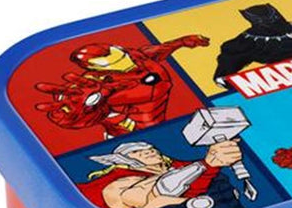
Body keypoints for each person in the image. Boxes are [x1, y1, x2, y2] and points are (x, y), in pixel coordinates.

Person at [34, 34, 209, 137]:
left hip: (155, 121)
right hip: (132, 131)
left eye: (122, 55)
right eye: (114, 61)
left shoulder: (135, 57)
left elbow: (154, 53)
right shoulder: (100, 86)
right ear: (95, 68)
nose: (127, 61)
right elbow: (85, 112)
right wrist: (80, 106)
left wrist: (181, 42)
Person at [79, 139, 246, 208]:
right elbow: (142, 198)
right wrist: (205, 165)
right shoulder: (119, 182)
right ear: (124, 160)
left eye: (150, 148)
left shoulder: (184, 166)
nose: (148, 151)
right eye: (136, 152)